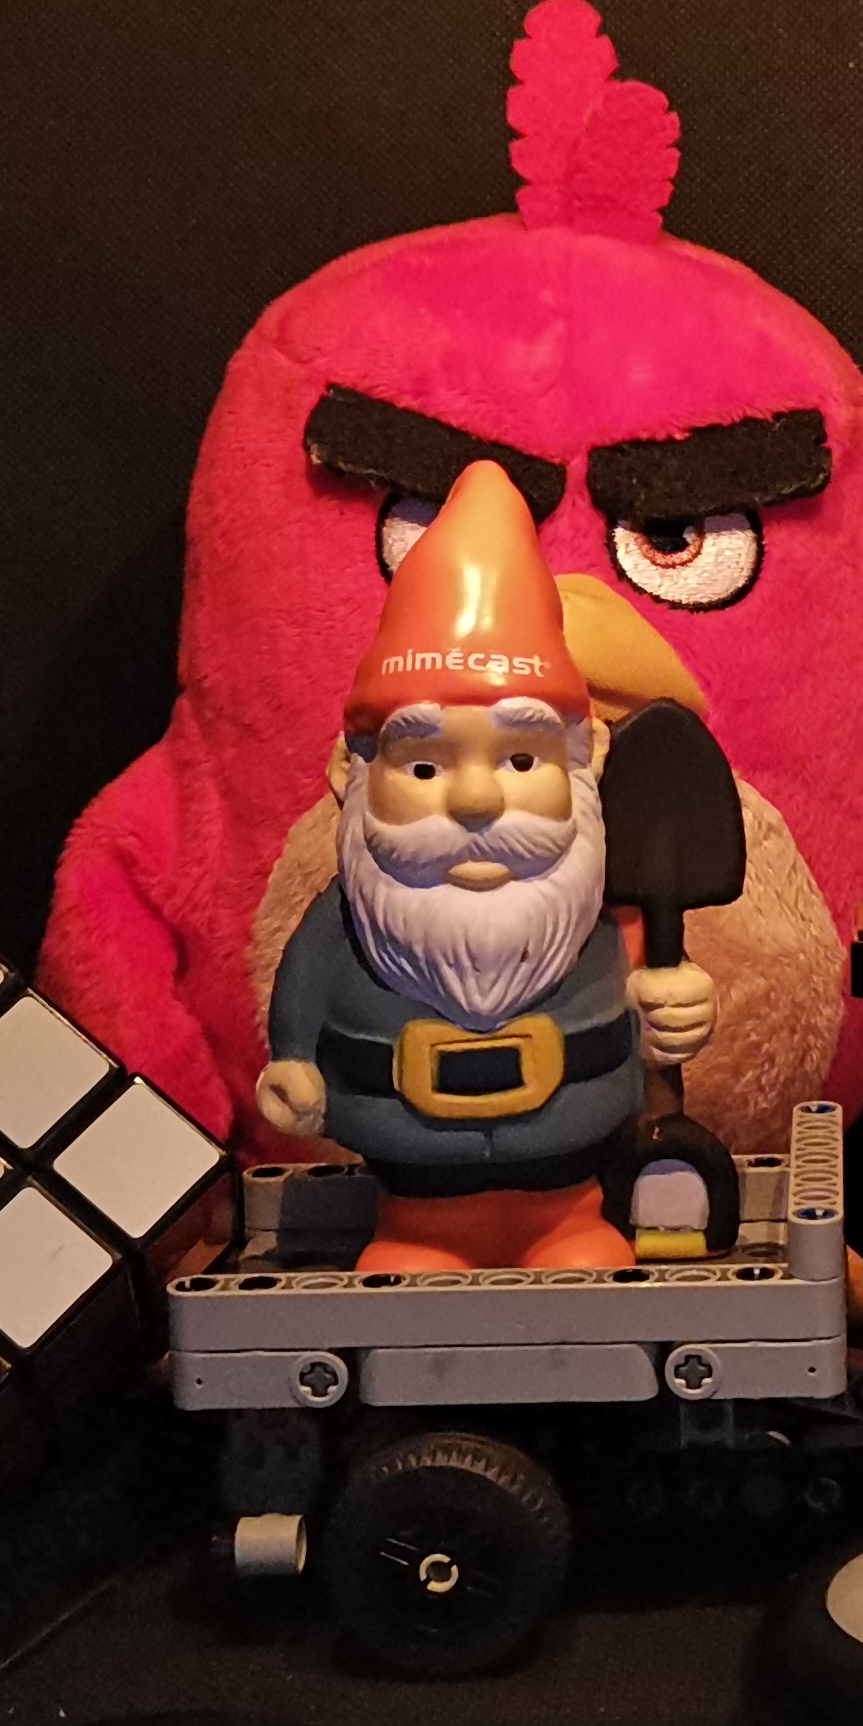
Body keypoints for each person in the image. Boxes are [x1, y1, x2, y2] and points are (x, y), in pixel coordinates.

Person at [257, 458, 716, 1271]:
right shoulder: (347, 924)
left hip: (572, 1194)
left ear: (587, 757)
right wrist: (294, 1066)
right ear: (347, 773)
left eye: (520, 761)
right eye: (424, 767)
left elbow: (652, 995)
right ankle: (420, 1239)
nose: (475, 801)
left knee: (583, 1260)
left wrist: (673, 1009)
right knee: (411, 1269)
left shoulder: (595, 913)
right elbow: (303, 999)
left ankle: (566, 1231)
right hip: (412, 1199)